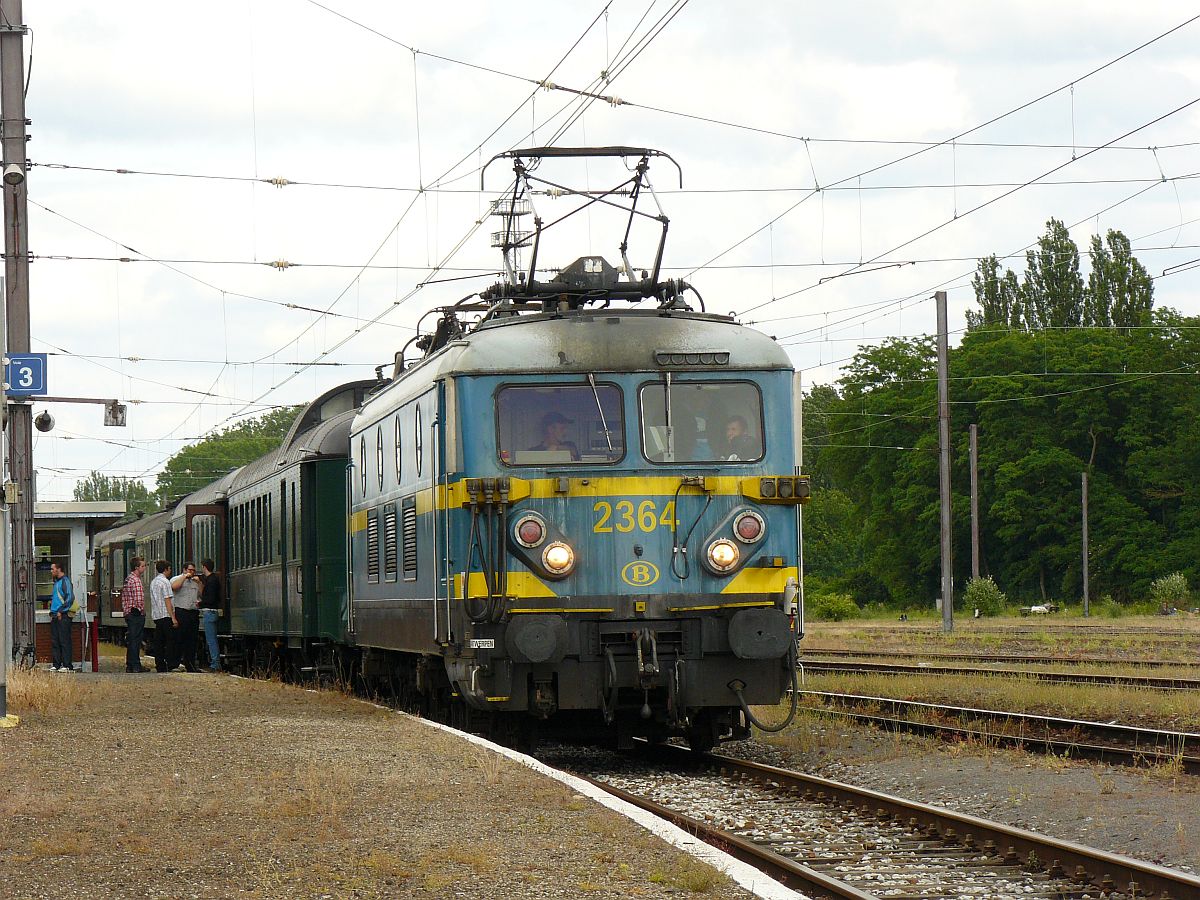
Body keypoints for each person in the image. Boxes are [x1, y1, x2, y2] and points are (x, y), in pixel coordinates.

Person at [170, 561, 202, 673]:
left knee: (192, 641)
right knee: (179, 639)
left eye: (193, 570)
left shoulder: (195, 582)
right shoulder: (177, 579)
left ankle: (191, 665)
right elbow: (174, 587)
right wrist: (184, 577)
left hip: (192, 612)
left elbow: (202, 594)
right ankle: (174, 664)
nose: (192, 572)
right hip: (181, 612)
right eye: (190, 570)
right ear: (184, 570)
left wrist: (199, 583)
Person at [149, 560, 179, 673]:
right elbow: (167, 600)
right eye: (169, 569)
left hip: (157, 615)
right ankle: (170, 664)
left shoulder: (154, 582)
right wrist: (173, 617)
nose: (170, 571)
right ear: (166, 569)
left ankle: (160, 665)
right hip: (166, 615)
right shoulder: (165, 582)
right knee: (170, 641)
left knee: (159, 642)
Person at [120, 556, 149, 673]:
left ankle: (130, 664)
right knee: (136, 639)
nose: (145, 568)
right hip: (135, 613)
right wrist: (140, 610)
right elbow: (138, 599)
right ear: (137, 567)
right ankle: (136, 665)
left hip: (128, 612)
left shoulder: (128, 579)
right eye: (143, 566)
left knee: (132, 639)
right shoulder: (136, 581)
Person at [48, 562, 75, 672]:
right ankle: (57, 663)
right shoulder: (57, 582)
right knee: (56, 640)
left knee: (64, 640)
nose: (51, 571)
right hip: (55, 615)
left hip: (62, 615)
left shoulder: (65, 581)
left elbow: (70, 598)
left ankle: (67, 664)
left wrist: (61, 610)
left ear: (59, 569)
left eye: (52, 569)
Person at [198, 559, 223, 672]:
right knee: (211, 639)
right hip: (212, 611)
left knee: (211, 640)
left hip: (210, 612)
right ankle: (215, 663)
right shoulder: (213, 579)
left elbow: (210, 598)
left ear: (204, 567)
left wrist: (200, 603)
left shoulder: (211, 580)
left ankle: (215, 664)